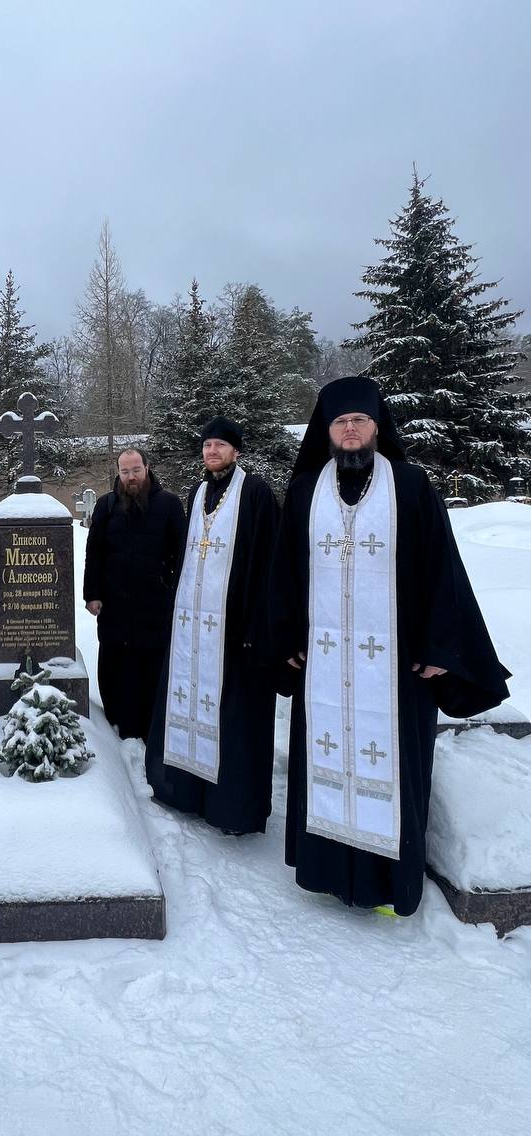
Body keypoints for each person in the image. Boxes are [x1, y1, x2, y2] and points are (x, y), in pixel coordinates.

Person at [270, 376, 510, 915]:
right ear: (326, 430)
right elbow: (283, 572)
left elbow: (442, 569)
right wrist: (285, 638)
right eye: (340, 422)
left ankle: (388, 885)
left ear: (377, 426)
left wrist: (438, 647)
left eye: (359, 420)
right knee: (325, 762)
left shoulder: (411, 484)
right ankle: (326, 873)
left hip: (398, 669)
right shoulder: (306, 490)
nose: (350, 429)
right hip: (326, 665)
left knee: (394, 771)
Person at [146, 418, 281, 834]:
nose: (212, 452)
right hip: (193, 626)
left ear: (236, 451)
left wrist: (256, 624)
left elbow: (268, 561)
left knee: (233, 719)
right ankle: (184, 793)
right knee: (188, 704)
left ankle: (231, 809)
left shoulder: (255, 492)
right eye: (207, 446)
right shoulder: (198, 492)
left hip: (234, 629)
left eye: (220, 445)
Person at [83, 448, 187, 739]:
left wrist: (173, 591)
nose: (131, 477)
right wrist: (92, 594)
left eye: (136, 470)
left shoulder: (169, 504)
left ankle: (151, 731)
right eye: (125, 471)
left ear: (147, 468)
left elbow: (181, 555)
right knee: (115, 670)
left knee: (150, 670)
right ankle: (118, 730)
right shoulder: (106, 505)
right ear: (118, 472)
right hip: (115, 607)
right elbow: (94, 553)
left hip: (154, 607)